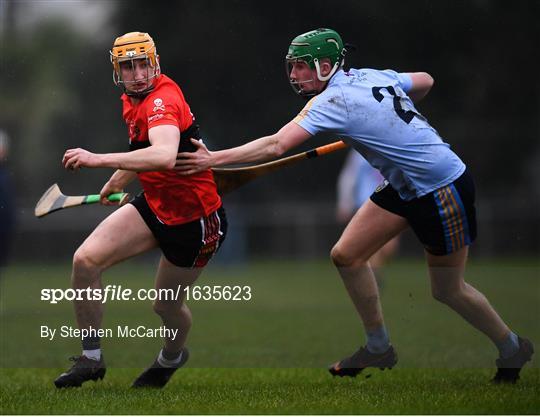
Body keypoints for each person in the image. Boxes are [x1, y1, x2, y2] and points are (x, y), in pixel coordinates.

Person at [175, 28, 533, 383]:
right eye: (293, 67)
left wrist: (212, 159)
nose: (295, 75)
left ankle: (511, 347)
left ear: (327, 65)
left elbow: (276, 146)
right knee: (346, 255)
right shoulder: (372, 77)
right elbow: (425, 81)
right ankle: (378, 348)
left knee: (447, 290)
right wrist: (389, 120)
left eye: (303, 66)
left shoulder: (333, 101)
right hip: (402, 185)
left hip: (441, 187)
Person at [55, 32, 227, 388]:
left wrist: (98, 160)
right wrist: (119, 180)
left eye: (142, 64)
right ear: (118, 71)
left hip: (192, 221)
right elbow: (142, 150)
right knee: (85, 261)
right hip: (153, 205)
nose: (136, 73)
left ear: (155, 63)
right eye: (128, 66)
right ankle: (90, 359)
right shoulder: (131, 101)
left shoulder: (162, 99)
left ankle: (172, 356)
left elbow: (163, 154)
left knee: (164, 306)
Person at [336, 150, 398, 275]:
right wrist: (345, 202)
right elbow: (349, 177)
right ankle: (372, 274)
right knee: (374, 244)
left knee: (389, 248)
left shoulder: (392, 146)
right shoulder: (358, 151)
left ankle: (371, 269)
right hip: (366, 201)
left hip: (392, 201)